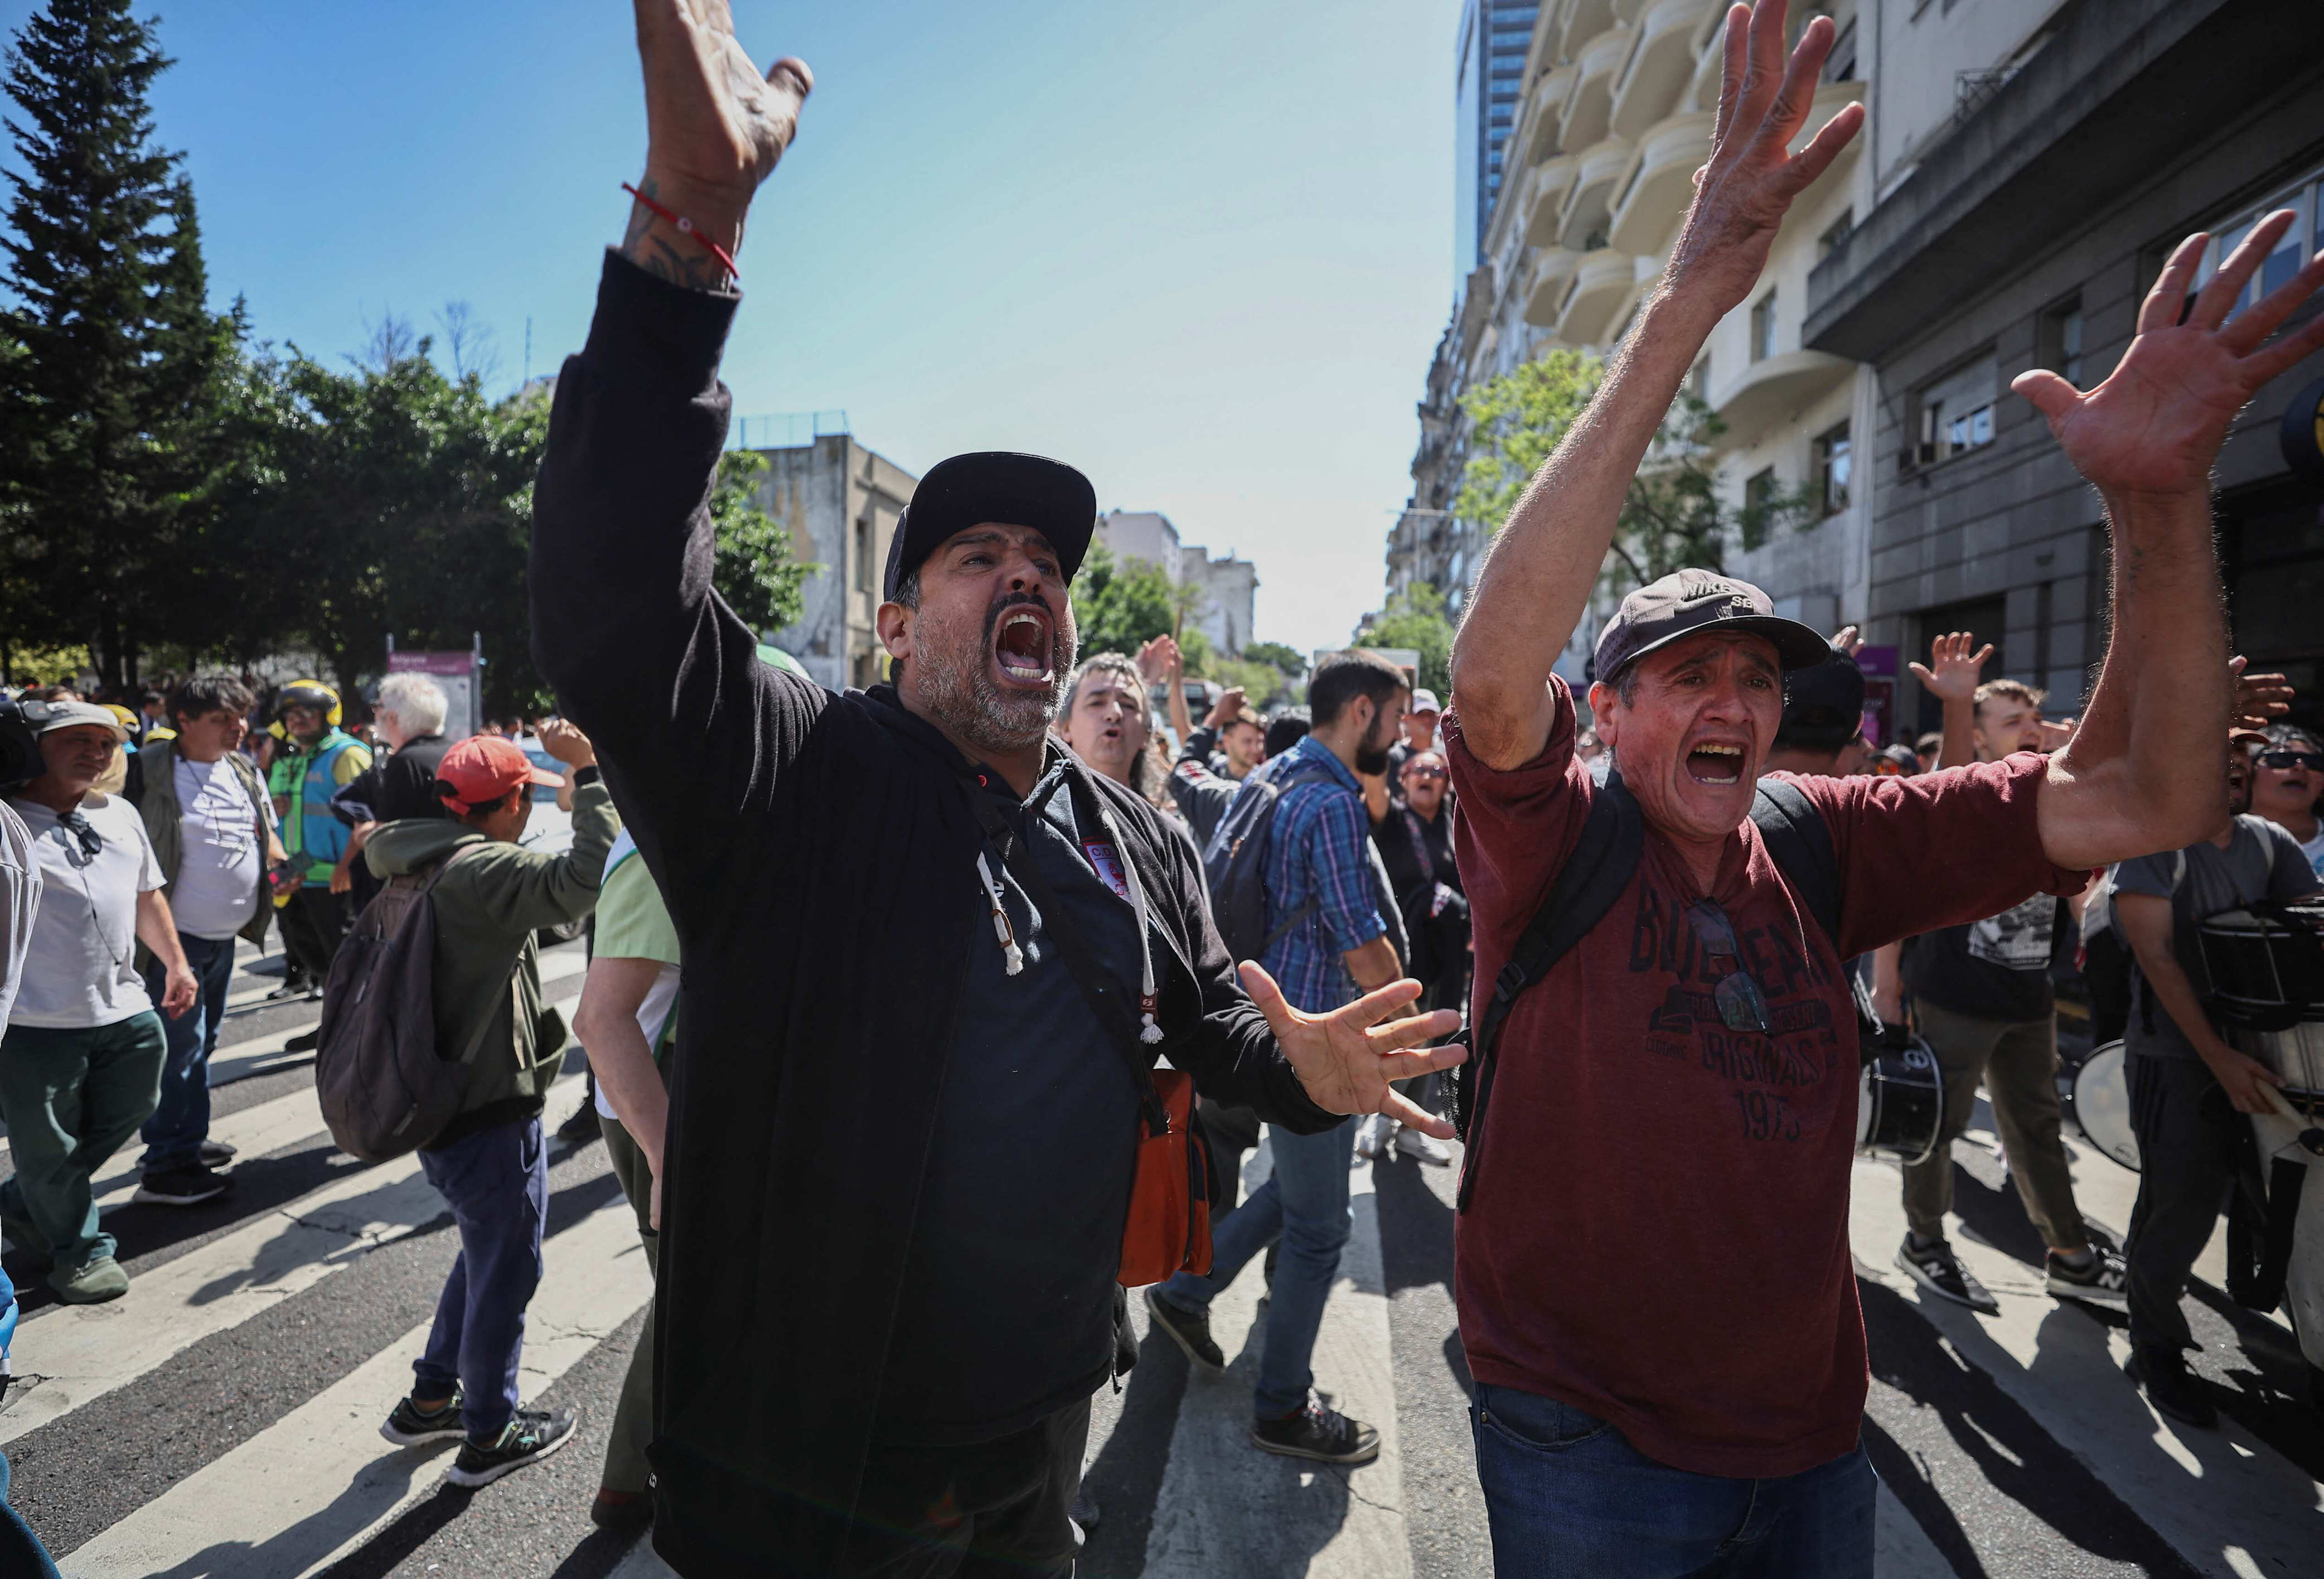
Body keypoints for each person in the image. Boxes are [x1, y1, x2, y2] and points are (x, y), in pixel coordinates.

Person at [527, 22, 1458, 1564]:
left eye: (1047, 563)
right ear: (894, 627)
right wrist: (685, 248)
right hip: (816, 1472)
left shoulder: (1129, 827)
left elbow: (1208, 1015)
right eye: (976, 555)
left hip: (1037, 1434)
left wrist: (1310, 1068)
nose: (1026, 570)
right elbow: (612, 597)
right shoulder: (795, 772)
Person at [1439, 3, 2324, 1570]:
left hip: (1813, 1445)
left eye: (1760, 675)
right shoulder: (1552, 830)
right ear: (1615, 711)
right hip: (1582, 1439)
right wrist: (1701, 280)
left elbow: (2154, 794)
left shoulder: (1820, 832)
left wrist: (2157, 500)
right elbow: (1494, 681)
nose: (1736, 697)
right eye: (1691, 670)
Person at [1143, 650, 1411, 1465]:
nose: (1400, 739)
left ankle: (1188, 1290)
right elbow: (1361, 943)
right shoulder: (1329, 801)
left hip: (1258, 1039)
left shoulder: (1276, 774)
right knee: (1322, 1229)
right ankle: (1282, 1406)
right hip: (1316, 1051)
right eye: (1396, 719)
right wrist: (1409, 1025)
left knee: (1296, 1199)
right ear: (1361, 710)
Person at [371, 722, 615, 1488]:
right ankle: (488, 1430)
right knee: (509, 1269)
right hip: (486, 1103)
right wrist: (592, 773)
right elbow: (585, 879)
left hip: (441, 1099)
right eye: (524, 799)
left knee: (485, 1251)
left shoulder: (418, 854)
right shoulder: (482, 872)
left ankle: (432, 1395)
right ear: (506, 803)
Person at [1891, 655, 2127, 1314]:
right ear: (1984, 735)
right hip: (1954, 997)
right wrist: (1959, 705)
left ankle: (2070, 1254)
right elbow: (1951, 778)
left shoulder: (2054, 792)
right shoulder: (1968, 787)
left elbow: (2088, 892)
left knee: (2037, 1128)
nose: (2030, 727)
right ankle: (1925, 1239)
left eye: (2033, 717)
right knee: (1938, 1125)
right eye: (2012, 720)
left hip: (2028, 1000)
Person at [2110, 738, 2320, 1426]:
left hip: (2269, 1055)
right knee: (2180, 1204)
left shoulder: (2267, 842)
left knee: (2281, 1202)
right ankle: (2155, 1341)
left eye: (2238, 764)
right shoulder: (2155, 842)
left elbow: (2307, 930)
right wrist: (2219, 1060)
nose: (2227, 773)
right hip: (2175, 1056)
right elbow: (2156, 953)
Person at [1, 699, 197, 1303]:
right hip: (34, 1018)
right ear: (35, 746)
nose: (96, 751)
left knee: (139, 1098)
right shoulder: (8, 821)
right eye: (76, 739)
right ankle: (79, 1253)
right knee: (49, 1143)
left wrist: (176, 962)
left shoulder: (121, 814)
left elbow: (148, 893)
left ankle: (23, 1200)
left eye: (106, 741)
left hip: (123, 1004)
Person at [129, 674, 283, 1206]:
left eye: (242, 716)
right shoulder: (146, 771)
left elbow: (266, 834)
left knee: (202, 1046)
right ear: (185, 721)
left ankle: (186, 1138)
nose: (239, 727)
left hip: (223, 940)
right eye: (223, 718)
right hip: (176, 945)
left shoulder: (241, 768)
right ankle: (167, 1165)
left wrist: (281, 864)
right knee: (179, 1053)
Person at [569, 827, 680, 1533]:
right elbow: (601, 1019)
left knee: (693, 1295)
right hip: (660, 1108)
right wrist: (671, 1156)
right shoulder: (662, 840)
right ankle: (628, 1482)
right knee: (691, 1300)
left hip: (668, 1103)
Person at [1360, 746, 1464, 1166]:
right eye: (1418, 769)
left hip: (1450, 955)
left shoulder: (1457, 823)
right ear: (1402, 779)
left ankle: (1411, 1130)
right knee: (1395, 1040)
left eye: (1437, 769)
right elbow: (1374, 791)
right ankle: (1379, 1119)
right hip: (1400, 954)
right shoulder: (1392, 820)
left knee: (1435, 1039)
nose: (1428, 775)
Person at [266, 681, 372, 1005]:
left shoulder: (346, 754)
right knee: (309, 955)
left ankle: (350, 1035)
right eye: (290, 715)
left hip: (336, 878)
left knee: (346, 962)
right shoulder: (291, 759)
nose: (297, 720)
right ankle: (330, 1027)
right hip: (296, 873)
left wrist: (346, 867)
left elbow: (366, 818)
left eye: (307, 713)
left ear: (328, 715)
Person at [331, 672, 456, 914]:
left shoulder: (405, 762)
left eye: (378, 706)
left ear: (393, 718)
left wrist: (365, 835)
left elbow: (389, 841)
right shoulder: (454, 751)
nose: (375, 713)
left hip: (417, 895)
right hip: (449, 882)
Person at [2248, 722, 2324, 875]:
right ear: (2246, 771)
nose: (2301, 767)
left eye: (2313, 763)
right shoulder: (2213, 840)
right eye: (2282, 760)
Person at [1385, 685, 1442, 784]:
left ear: (1439, 717)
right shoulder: (1394, 757)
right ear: (1405, 718)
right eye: (1420, 715)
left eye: (1431, 714)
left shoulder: (1448, 754)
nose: (1427, 720)